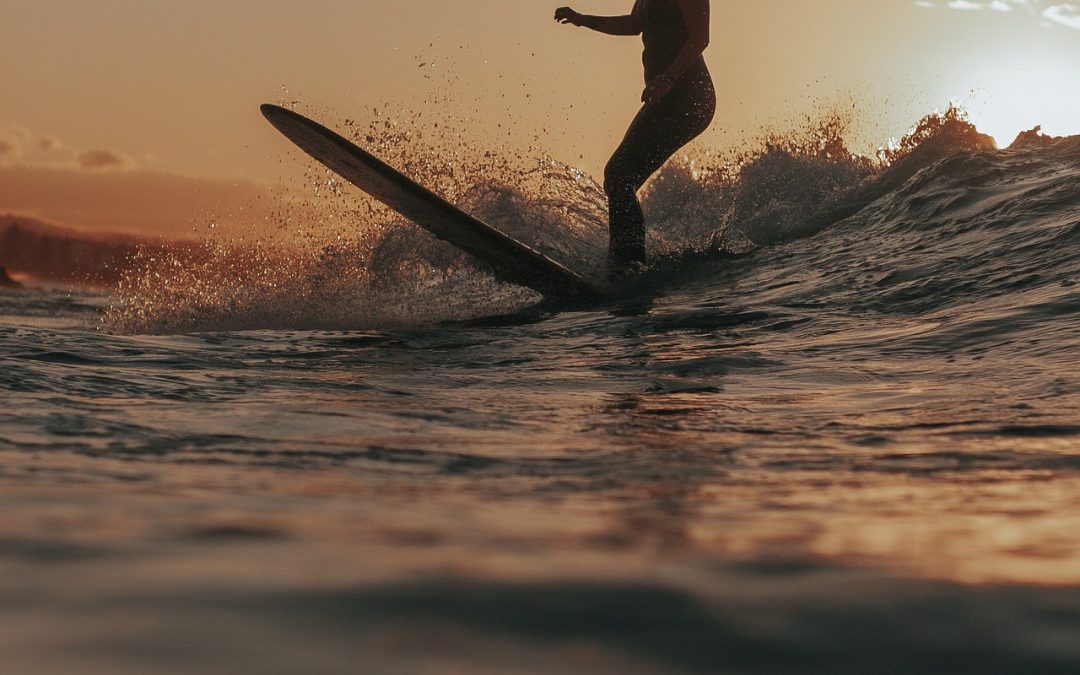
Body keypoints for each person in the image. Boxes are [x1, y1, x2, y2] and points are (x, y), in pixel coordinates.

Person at [555, 0, 715, 277]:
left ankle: (628, 266)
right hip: (666, 97)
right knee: (619, 178)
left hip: (690, 96)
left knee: (618, 175)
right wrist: (581, 19)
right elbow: (633, 24)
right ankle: (626, 261)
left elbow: (700, 38)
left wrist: (668, 77)